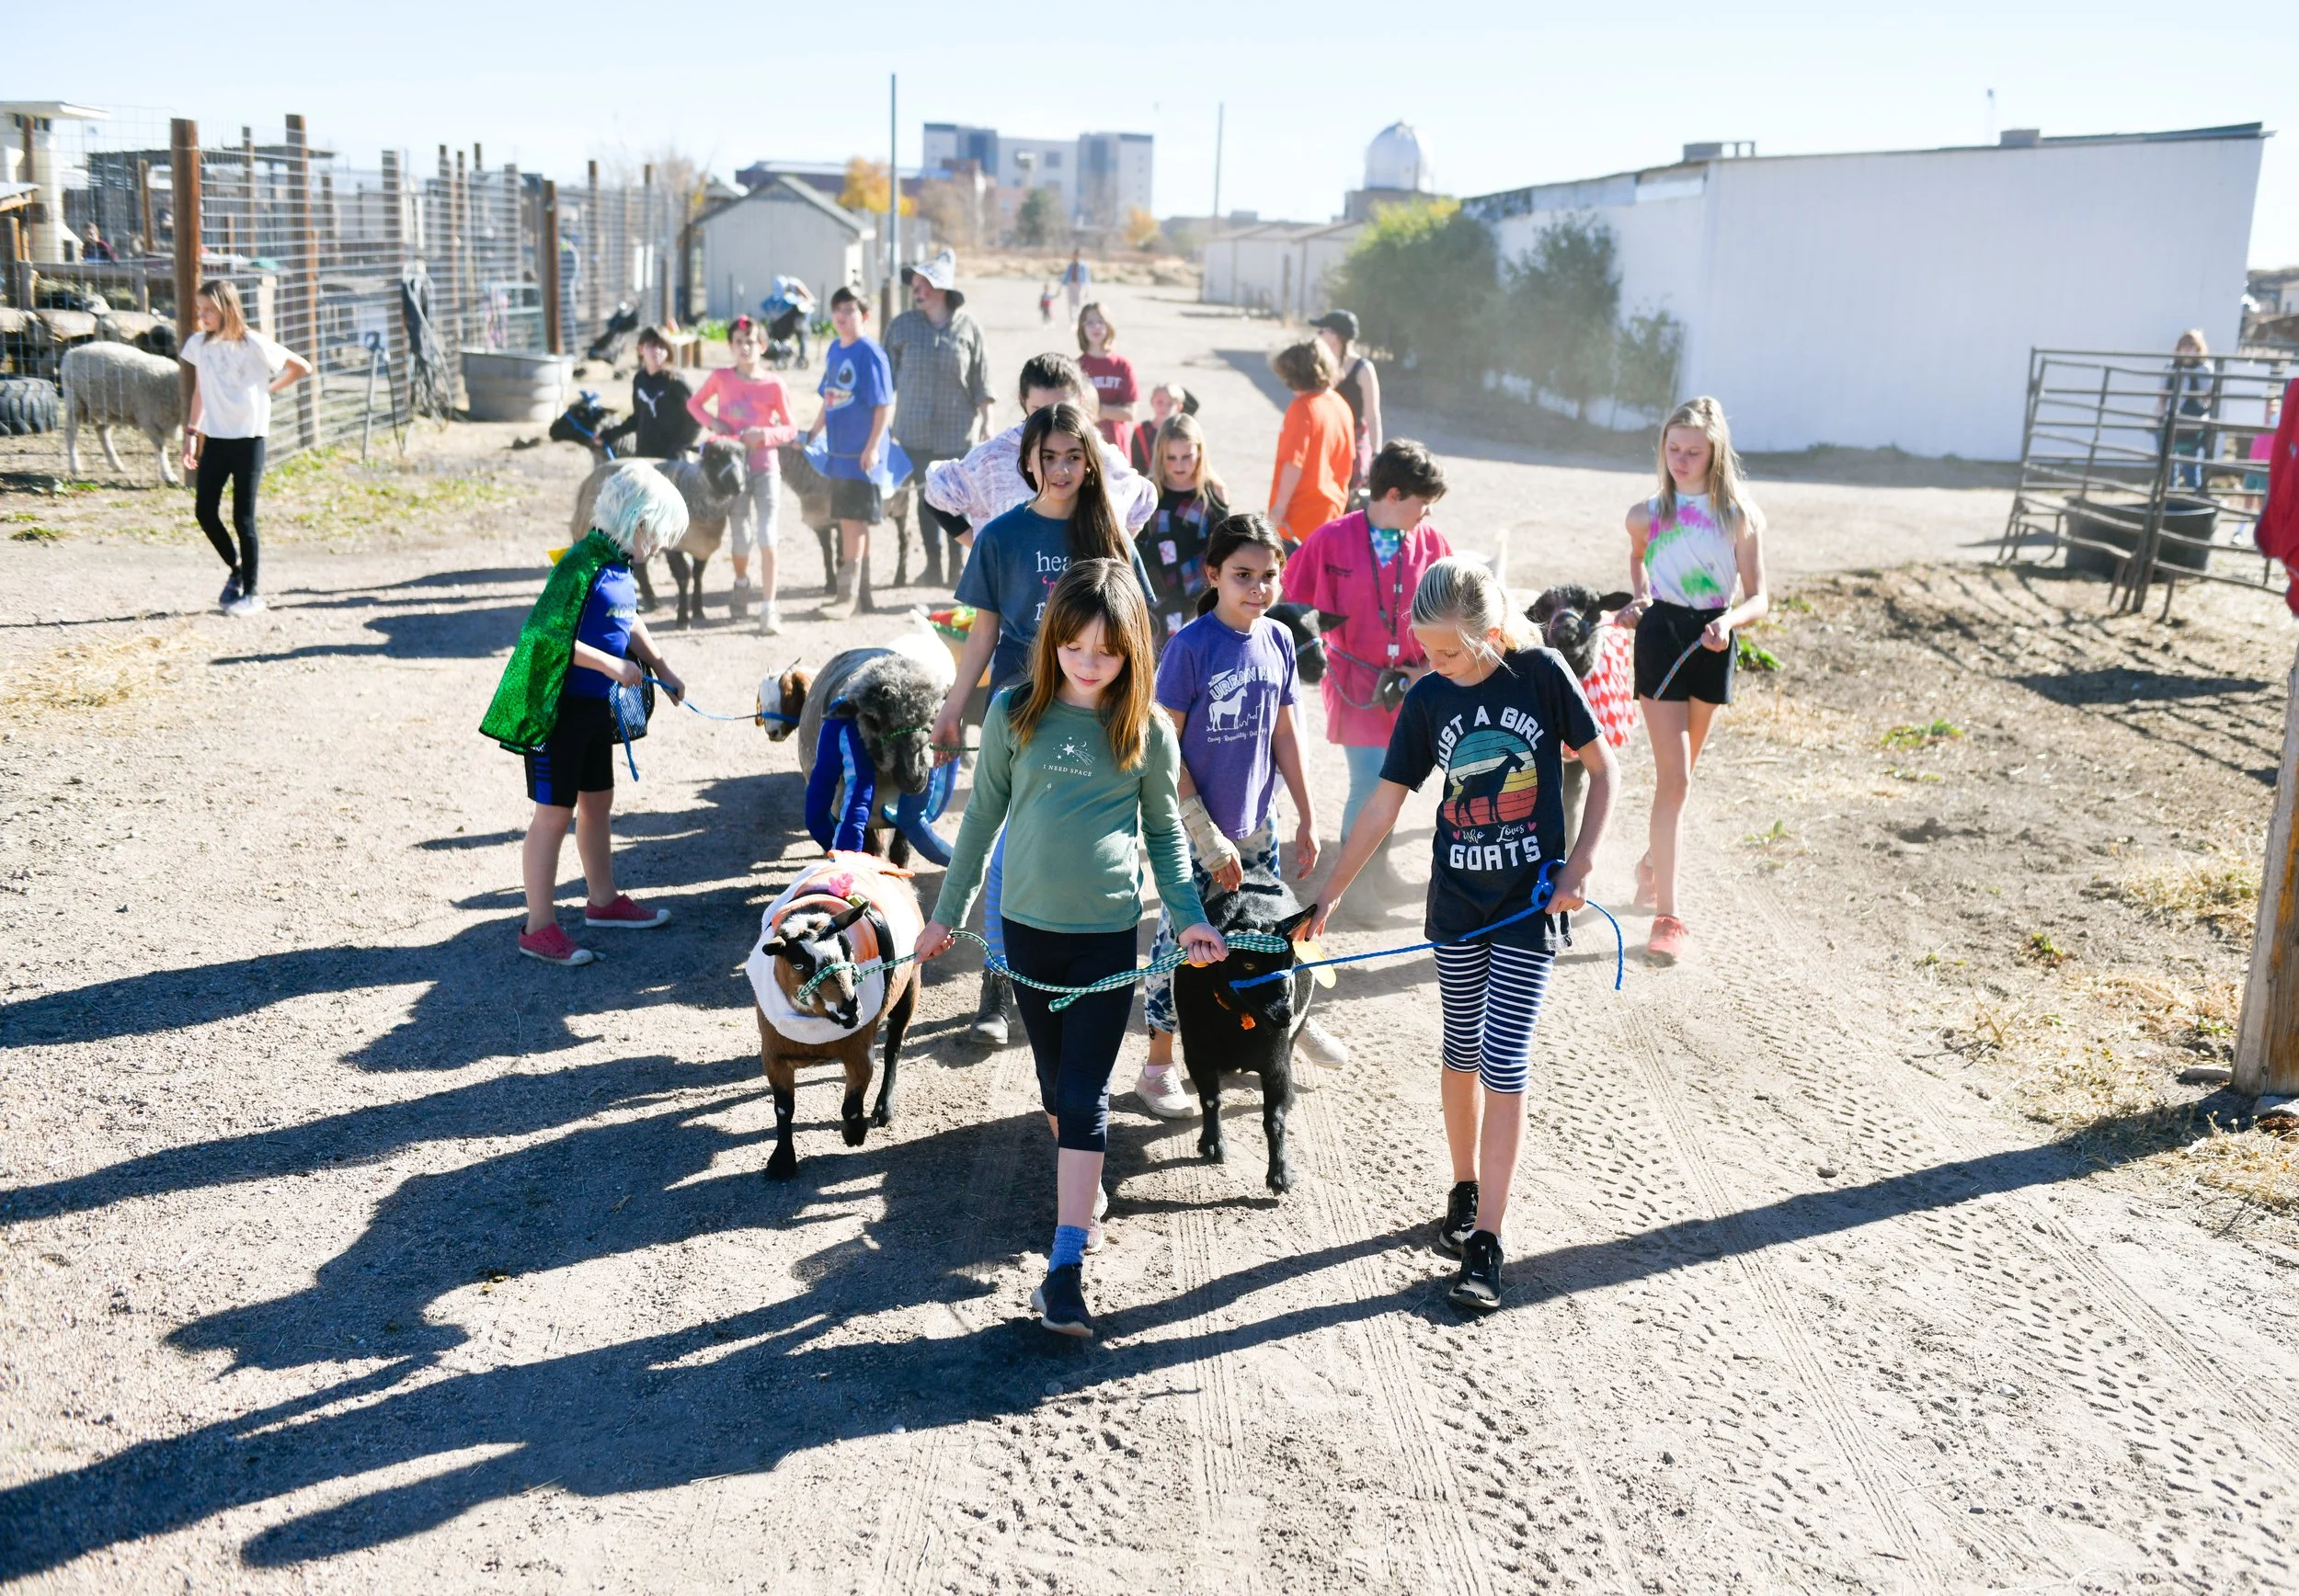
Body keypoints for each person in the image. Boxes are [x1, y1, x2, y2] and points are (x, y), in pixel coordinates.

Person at [917, 560, 1227, 1339]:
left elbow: (1163, 833)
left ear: (1133, 654)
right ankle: (1078, 1188)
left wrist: (1187, 918)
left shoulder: (1146, 730)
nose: (1089, 664)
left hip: (1105, 943)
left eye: (1108, 652)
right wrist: (945, 917)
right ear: (1053, 639)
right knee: (1057, 1092)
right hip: (1023, 935)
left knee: (1084, 1097)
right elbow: (980, 822)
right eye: (1076, 647)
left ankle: (1064, 1270)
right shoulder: (1014, 712)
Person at [1298, 556, 1614, 1312]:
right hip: (1457, 908)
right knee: (1461, 1051)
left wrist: (1580, 865)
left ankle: (1487, 1242)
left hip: (1527, 907)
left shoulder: (1539, 675)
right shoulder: (1430, 698)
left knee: (1506, 1064)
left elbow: (1606, 773)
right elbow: (1383, 806)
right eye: (1424, 651)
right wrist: (1330, 894)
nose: (1429, 664)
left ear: (1490, 633)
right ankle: (1464, 1186)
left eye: (1445, 651)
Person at [930, 403, 1158, 1044]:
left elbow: (1139, 630)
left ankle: (1081, 974)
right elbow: (981, 637)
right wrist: (951, 713)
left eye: (1073, 457)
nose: (1060, 470)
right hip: (1022, 709)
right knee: (1006, 852)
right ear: (1027, 460)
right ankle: (997, 990)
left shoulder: (1109, 534)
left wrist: (1149, 711)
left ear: (1091, 462)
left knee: (1080, 844)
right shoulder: (1000, 536)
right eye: (1049, 456)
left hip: (1096, 712)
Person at [1136, 512, 1343, 1117]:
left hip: (1260, 828)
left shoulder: (1278, 639)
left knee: (1267, 929)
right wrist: (1204, 835)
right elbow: (1161, 749)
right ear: (1213, 575)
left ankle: (1287, 1030)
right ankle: (1157, 1065)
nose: (1258, 588)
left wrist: (1306, 813)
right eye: (1243, 575)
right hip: (1191, 832)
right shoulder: (1189, 647)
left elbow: (1286, 732)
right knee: (1182, 943)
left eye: (1269, 576)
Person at [479, 463, 691, 967]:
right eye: (656, 535)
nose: (658, 547)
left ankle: (603, 902)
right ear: (635, 521)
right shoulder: (580, 564)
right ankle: (538, 927)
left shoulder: (617, 565)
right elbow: (546, 637)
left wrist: (660, 664)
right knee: (554, 816)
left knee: (598, 802)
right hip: (558, 713)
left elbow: (627, 618)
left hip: (595, 710)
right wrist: (612, 664)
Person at [1619, 395, 1768, 966]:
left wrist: (1729, 620)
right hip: (1661, 639)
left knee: (1684, 778)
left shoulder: (1739, 516)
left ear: (1715, 453)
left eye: (1693, 452)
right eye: (1673, 449)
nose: (1681, 460)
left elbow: (1759, 595)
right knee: (1675, 780)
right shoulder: (1645, 513)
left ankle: (1652, 865)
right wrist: (1639, 595)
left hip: (1713, 639)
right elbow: (1637, 558)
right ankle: (1669, 918)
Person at [1281, 439, 1452, 884]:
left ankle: (1372, 869)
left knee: (1396, 780)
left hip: (1414, 685)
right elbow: (1290, 609)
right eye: (1424, 502)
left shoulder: (1433, 545)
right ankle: (1355, 881)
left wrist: (1428, 672)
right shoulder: (1329, 539)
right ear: (1393, 495)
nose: (1428, 512)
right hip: (1353, 683)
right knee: (1371, 779)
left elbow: (1456, 616)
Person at [177, 279, 314, 617]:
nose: (202, 316)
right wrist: (191, 433)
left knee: (243, 517)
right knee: (205, 512)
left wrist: (270, 390)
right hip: (217, 438)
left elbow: (302, 367)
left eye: (208, 310)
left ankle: (252, 593)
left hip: (250, 439)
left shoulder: (253, 343)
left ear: (227, 308)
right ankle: (236, 569)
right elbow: (199, 392)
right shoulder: (199, 345)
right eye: (199, 310)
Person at [921, 352, 1158, 544]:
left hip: (1078, 596)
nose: (1050, 421)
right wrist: (982, 547)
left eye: (1061, 408)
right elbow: (936, 494)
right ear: (1023, 400)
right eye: (1039, 410)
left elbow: (1142, 502)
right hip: (1009, 597)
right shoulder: (993, 458)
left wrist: (1113, 553)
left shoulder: (1102, 456)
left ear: (1081, 401)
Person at [884, 248, 994, 587]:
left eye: (924, 284)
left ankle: (957, 568)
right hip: (912, 433)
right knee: (926, 500)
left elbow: (980, 379)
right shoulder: (901, 326)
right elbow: (884, 378)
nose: (917, 290)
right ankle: (932, 564)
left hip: (956, 433)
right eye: (914, 284)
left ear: (942, 289)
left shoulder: (968, 328)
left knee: (957, 501)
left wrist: (987, 422)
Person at [686, 315, 797, 631]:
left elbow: (789, 428)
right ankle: (741, 583)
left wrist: (765, 435)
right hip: (730, 472)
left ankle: (768, 607)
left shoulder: (775, 383)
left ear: (762, 345)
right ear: (731, 346)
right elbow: (694, 404)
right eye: (738, 342)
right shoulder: (721, 377)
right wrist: (714, 424)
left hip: (765, 467)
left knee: (767, 533)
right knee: (741, 538)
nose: (745, 347)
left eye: (750, 341)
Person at [803, 287, 894, 617]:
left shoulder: (870, 353)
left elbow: (883, 405)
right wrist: (812, 433)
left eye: (850, 310)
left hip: (861, 456)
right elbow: (829, 399)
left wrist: (871, 448)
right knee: (849, 521)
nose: (841, 316)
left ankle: (847, 597)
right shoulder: (833, 349)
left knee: (853, 522)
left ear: (864, 316)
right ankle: (861, 596)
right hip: (838, 454)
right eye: (837, 310)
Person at [1138, 412, 1228, 652]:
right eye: (1172, 457)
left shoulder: (1213, 493)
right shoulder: (1149, 490)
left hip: (1198, 595)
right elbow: (1136, 541)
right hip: (1155, 594)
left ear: (1199, 452)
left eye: (1187, 456)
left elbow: (1225, 547)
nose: (1179, 465)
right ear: (1160, 455)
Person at [1267, 340, 1355, 549]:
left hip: (1298, 519)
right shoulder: (1340, 404)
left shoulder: (1302, 408)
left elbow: (1294, 464)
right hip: (1331, 514)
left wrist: (1278, 511)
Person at [1311, 310, 1382, 505]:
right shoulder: (1320, 366)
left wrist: (1376, 455)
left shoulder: (1363, 369)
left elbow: (1372, 416)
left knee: (1350, 499)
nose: (1317, 335)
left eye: (1322, 331)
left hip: (1353, 444)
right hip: (1326, 441)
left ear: (1335, 336)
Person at [600, 325, 701, 461]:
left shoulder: (676, 382)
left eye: (662, 347)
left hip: (671, 460)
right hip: (645, 455)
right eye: (652, 345)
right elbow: (638, 418)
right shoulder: (639, 380)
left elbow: (696, 419)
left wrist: (678, 448)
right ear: (641, 349)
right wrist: (609, 435)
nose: (658, 351)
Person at [1075, 302, 1138, 457]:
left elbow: (1130, 413)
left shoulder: (1122, 366)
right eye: (1090, 322)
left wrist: (1098, 410)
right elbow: (1073, 410)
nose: (1096, 327)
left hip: (1117, 444)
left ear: (1109, 326)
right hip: (1086, 443)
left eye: (1100, 322)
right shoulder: (1076, 367)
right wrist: (1112, 410)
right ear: (1082, 328)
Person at [2162, 328, 2216, 492]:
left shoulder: (2204, 368)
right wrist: (2159, 415)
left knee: (2190, 463)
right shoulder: (2171, 367)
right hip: (2172, 418)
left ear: (2198, 348)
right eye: (2183, 345)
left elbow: (2207, 396)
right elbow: (2162, 393)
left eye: (2191, 345)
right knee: (2168, 463)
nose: (2186, 348)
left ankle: (2193, 497)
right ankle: (2171, 497)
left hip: (2192, 421)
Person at [1129, 381, 1191, 477]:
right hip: (1149, 480)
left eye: (1170, 404)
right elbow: (1135, 462)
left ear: (1179, 407)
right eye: (1160, 402)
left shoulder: (1183, 430)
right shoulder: (1141, 430)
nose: (1164, 407)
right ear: (1152, 402)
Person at [1060, 250, 1091, 321]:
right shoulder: (1071, 265)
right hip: (1070, 284)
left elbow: (1087, 277)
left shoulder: (1083, 265)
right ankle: (1072, 319)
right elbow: (1066, 275)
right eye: (1074, 255)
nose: (1075, 257)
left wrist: (1087, 289)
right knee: (1070, 302)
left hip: (1080, 285)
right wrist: (1061, 285)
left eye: (1077, 255)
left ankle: (1079, 319)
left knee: (1079, 302)